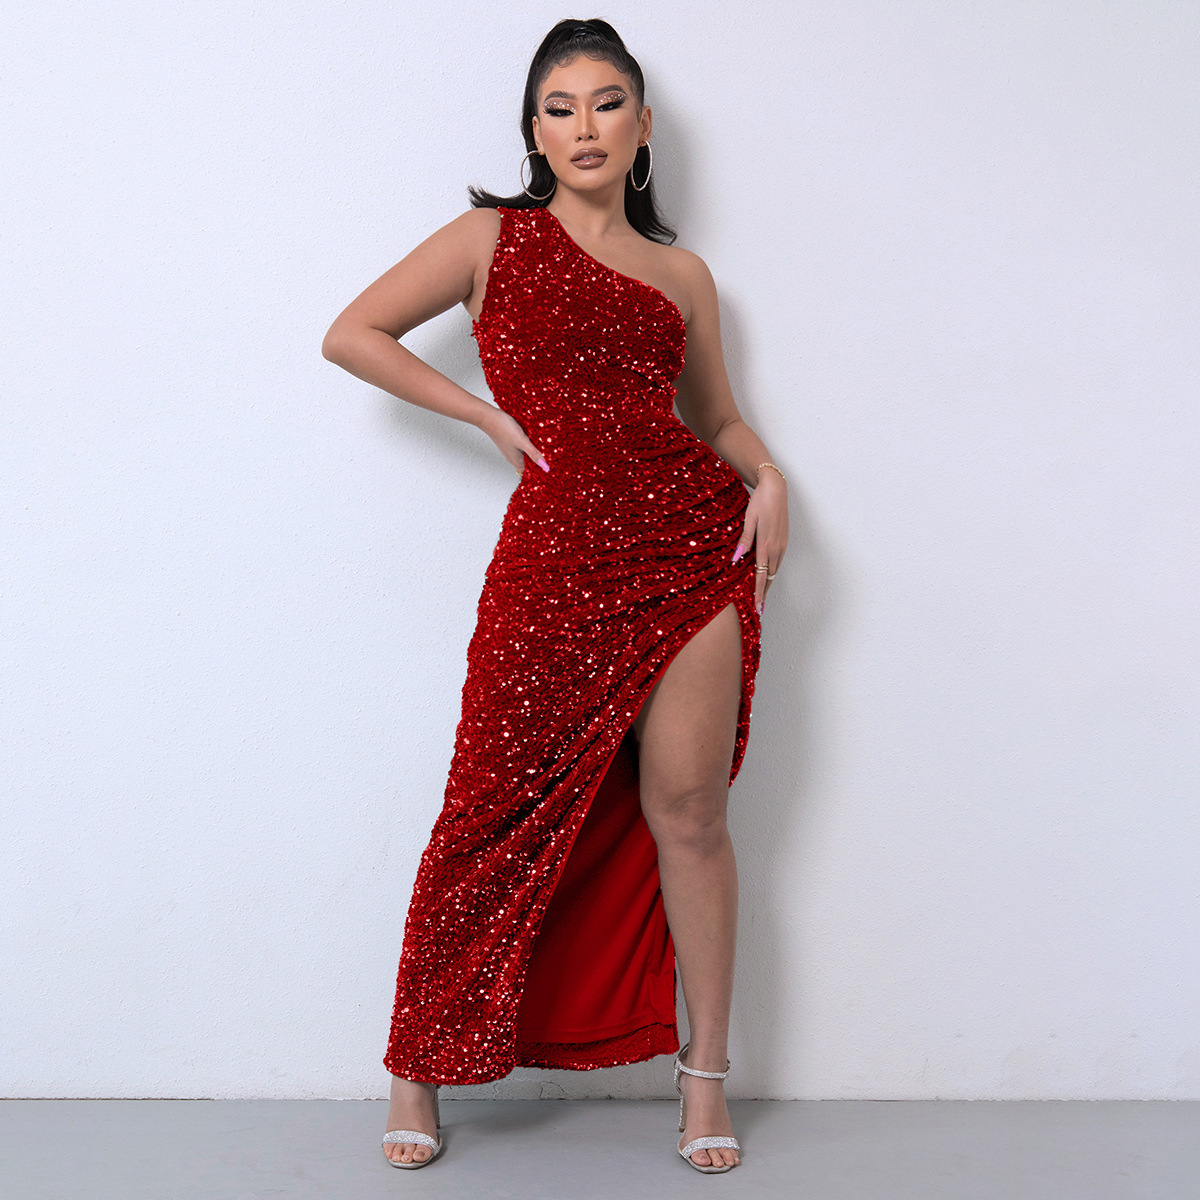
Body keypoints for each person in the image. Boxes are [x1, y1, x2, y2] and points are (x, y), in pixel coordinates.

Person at [321, 17, 788, 1174]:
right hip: (555, 559)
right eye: (560, 106)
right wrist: (484, 414)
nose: (585, 126)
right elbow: (352, 333)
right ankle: (416, 1065)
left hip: (690, 552)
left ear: (642, 126)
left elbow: (715, 417)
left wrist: (769, 476)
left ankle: (705, 1078)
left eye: (607, 102)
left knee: (691, 811)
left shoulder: (683, 275)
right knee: (487, 810)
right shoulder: (492, 238)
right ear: (533, 131)